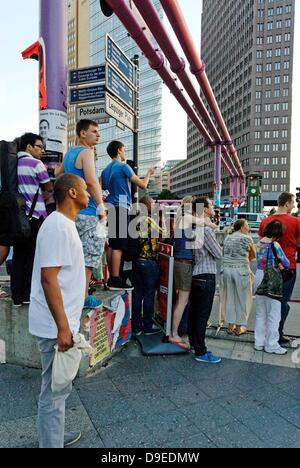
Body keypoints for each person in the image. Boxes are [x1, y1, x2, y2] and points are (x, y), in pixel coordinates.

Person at [29, 173, 89, 448]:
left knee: (59, 386)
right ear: (72, 193)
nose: (90, 193)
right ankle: (50, 443)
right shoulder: (57, 226)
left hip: (62, 322)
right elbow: (48, 278)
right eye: (85, 189)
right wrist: (64, 328)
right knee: (54, 389)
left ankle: (53, 434)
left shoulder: (63, 224)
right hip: (56, 326)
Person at [63, 119, 106, 309]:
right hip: (88, 211)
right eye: (94, 131)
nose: (98, 135)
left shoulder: (69, 154)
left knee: (72, 256)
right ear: (82, 133)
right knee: (89, 257)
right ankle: (84, 296)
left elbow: (59, 175)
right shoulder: (87, 152)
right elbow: (91, 180)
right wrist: (101, 205)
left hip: (72, 212)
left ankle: (72, 294)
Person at [101, 141, 155, 291]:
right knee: (119, 246)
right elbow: (143, 185)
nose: (125, 153)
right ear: (119, 150)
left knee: (112, 243)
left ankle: (112, 276)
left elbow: (104, 188)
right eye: (124, 150)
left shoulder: (105, 170)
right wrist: (149, 173)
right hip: (122, 207)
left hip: (111, 207)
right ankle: (116, 279)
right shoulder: (124, 167)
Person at [11, 133, 53, 306]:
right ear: (29, 147)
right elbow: (48, 187)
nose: (42, 151)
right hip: (35, 217)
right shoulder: (36, 164)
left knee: (19, 257)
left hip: (16, 218)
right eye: (39, 147)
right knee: (33, 257)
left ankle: (16, 297)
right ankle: (28, 295)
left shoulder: (11, 164)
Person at [259, 192, 300, 344]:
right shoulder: (296, 222)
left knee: (268, 302)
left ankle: (265, 334)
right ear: (287, 203)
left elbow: (263, 243)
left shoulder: (265, 221)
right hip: (287, 268)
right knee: (281, 302)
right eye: (293, 203)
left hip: (267, 268)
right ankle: (276, 335)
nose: (294, 206)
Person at [189, 197, 223, 364]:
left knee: (195, 313)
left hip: (196, 274)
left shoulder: (193, 228)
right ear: (204, 209)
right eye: (210, 205)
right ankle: (201, 351)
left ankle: (194, 344)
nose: (213, 207)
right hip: (207, 274)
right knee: (203, 315)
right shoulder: (206, 230)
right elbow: (218, 253)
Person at [254, 220, 289, 354]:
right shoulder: (275, 244)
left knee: (260, 313)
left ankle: (259, 342)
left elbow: (260, 262)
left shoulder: (259, 243)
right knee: (274, 314)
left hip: (259, 276)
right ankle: (271, 345)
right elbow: (285, 262)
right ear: (277, 233)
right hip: (272, 280)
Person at [132, 196, 163, 335]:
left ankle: (136, 327)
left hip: (137, 260)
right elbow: (165, 234)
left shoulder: (135, 219)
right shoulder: (148, 220)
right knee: (149, 294)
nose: (155, 205)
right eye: (153, 203)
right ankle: (147, 327)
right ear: (148, 204)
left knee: (137, 294)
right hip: (149, 261)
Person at [221, 219, 256, 335]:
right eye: (247, 225)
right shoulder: (247, 238)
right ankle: (239, 327)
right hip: (241, 271)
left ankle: (230, 326)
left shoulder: (227, 237)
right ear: (241, 227)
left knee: (229, 297)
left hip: (226, 270)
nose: (248, 228)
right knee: (243, 299)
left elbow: (223, 253)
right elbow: (253, 256)